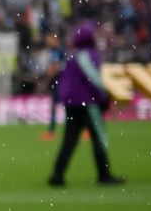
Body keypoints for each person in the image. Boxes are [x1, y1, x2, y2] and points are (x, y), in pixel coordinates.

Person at [49, 22, 125, 187]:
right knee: (98, 137)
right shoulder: (88, 55)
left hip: (72, 103)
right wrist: (105, 97)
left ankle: (57, 175)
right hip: (87, 102)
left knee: (69, 140)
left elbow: (64, 81)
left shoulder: (72, 56)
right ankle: (104, 175)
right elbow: (94, 79)